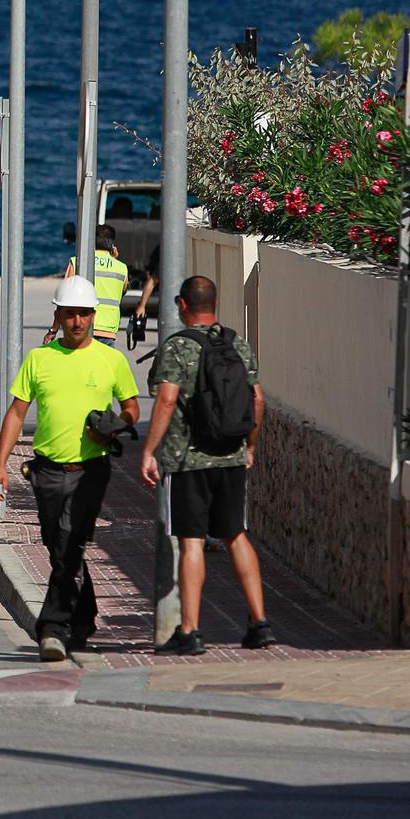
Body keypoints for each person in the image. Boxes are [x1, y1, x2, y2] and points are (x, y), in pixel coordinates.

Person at [0, 276, 141, 662]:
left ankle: (52, 628)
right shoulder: (39, 359)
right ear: (58, 316)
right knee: (60, 547)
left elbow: (132, 409)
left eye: (84, 314)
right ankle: (85, 617)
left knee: (70, 542)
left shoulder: (112, 360)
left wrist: (115, 424)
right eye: (70, 313)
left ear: (94, 316)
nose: (78, 321)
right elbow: (16, 413)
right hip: (46, 471)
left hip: (92, 470)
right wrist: (0, 465)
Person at [138, 275, 273, 655]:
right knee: (236, 535)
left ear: (182, 305)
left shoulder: (178, 348)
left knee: (192, 540)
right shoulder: (235, 343)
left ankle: (191, 630)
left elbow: (165, 401)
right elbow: (258, 400)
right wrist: (249, 446)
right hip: (230, 456)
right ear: (214, 303)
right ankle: (260, 623)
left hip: (188, 460)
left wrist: (149, 451)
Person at [62, 225, 129, 345]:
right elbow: (122, 292)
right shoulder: (121, 268)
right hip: (108, 329)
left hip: (82, 327)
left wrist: (54, 329)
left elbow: (65, 298)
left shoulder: (77, 262)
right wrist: (113, 259)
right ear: (112, 245)